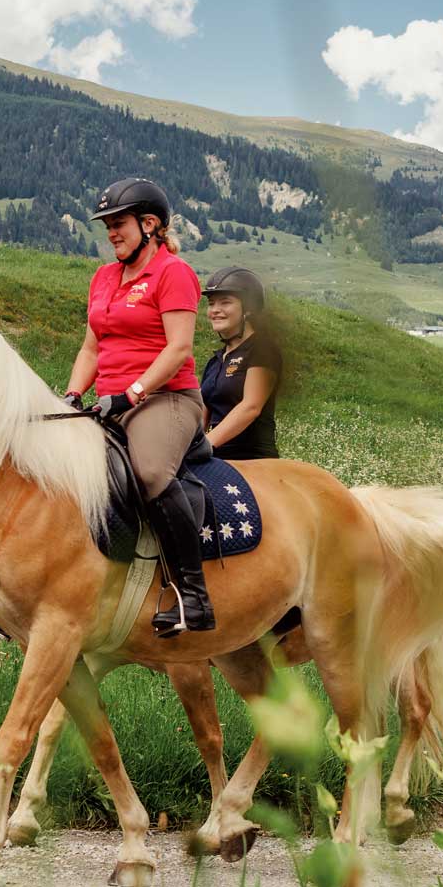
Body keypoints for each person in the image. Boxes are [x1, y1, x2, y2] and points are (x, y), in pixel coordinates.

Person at [64, 178, 213, 637]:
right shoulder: (104, 278)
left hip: (167, 398)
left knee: (149, 472)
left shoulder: (173, 273)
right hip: (110, 400)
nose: (111, 232)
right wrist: (72, 396)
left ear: (150, 225)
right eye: (107, 225)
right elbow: (92, 349)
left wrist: (132, 393)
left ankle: (193, 597)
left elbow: (179, 350)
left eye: (119, 223)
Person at [197, 267, 281, 460]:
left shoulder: (262, 349)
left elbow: (250, 407)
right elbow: (201, 417)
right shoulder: (215, 361)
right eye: (211, 304)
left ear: (249, 308)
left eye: (225, 302)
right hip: (216, 458)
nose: (214, 310)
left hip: (253, 459)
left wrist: (205, 444)